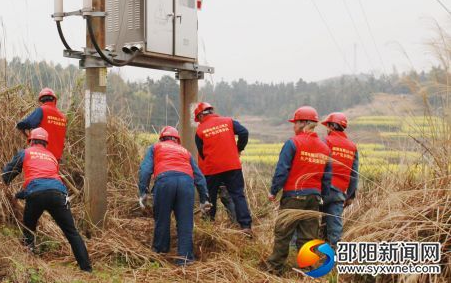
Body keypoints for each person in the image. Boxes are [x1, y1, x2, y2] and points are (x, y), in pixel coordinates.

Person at [1, 127, 92, 272]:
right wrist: (20, 194)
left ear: (30, 141)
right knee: (72, 232)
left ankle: (28, 265)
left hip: (36, 194)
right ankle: (86, 268)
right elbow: (46, 183)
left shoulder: (25, 153)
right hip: (58, 194)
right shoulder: (51, 157)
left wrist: (4, 186)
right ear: (45, 143)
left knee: (28, 229)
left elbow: (8, 174)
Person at [265, 106, 332, 276]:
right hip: (314, 198)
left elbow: (282, 170)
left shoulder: (293, 143)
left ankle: (274, 268)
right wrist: (321, 196)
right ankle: (306, 270)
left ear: (303, 123)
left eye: (295, 123)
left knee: (283, 233)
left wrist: (273, 191)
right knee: (308, 236)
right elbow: (327, 177)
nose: (293, 127)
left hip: (294, 196)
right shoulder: (325, 148)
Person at [138, 126, 211, 266]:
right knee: (185, 223)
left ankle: (160, 254)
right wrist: (204, 198)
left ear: (162, 138)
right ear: (177, 140)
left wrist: (143, 191)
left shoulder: (156, 147)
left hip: (165, 181)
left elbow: (145, 170)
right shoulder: (185, 152)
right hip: (187, 184)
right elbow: (199, 176)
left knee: (162, 219)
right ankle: (185, 258)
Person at [194, 102, 253, 236]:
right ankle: (245, 225)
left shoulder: (200, 130)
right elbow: (244, 132)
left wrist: (213, 158)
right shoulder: (228, 121)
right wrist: (238, 149)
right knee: (238, 195)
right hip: (232, 165)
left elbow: (201, 152)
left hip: (212, 168)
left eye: (199, 119)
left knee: (210, 197)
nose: (199, 122)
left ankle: (209, 225)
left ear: (201, 116)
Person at [320, 112, 359, 248]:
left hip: (322, 190)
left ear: (331, 126)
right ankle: (334, 261)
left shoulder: (326, 141)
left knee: (308, 221)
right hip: (339, 192)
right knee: (335, 228)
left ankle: (306, 255)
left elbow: (319, 166)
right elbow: (354, 174)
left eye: (327, 125)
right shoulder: (352, 146)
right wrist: (350, 196)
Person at [16, 88, 67, 161]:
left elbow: (29, 123)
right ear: (54, 100)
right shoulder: (63, 117)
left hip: (42, 155)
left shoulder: (42, 110)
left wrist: (20, 124)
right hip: (56, 157)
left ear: (41, 101)